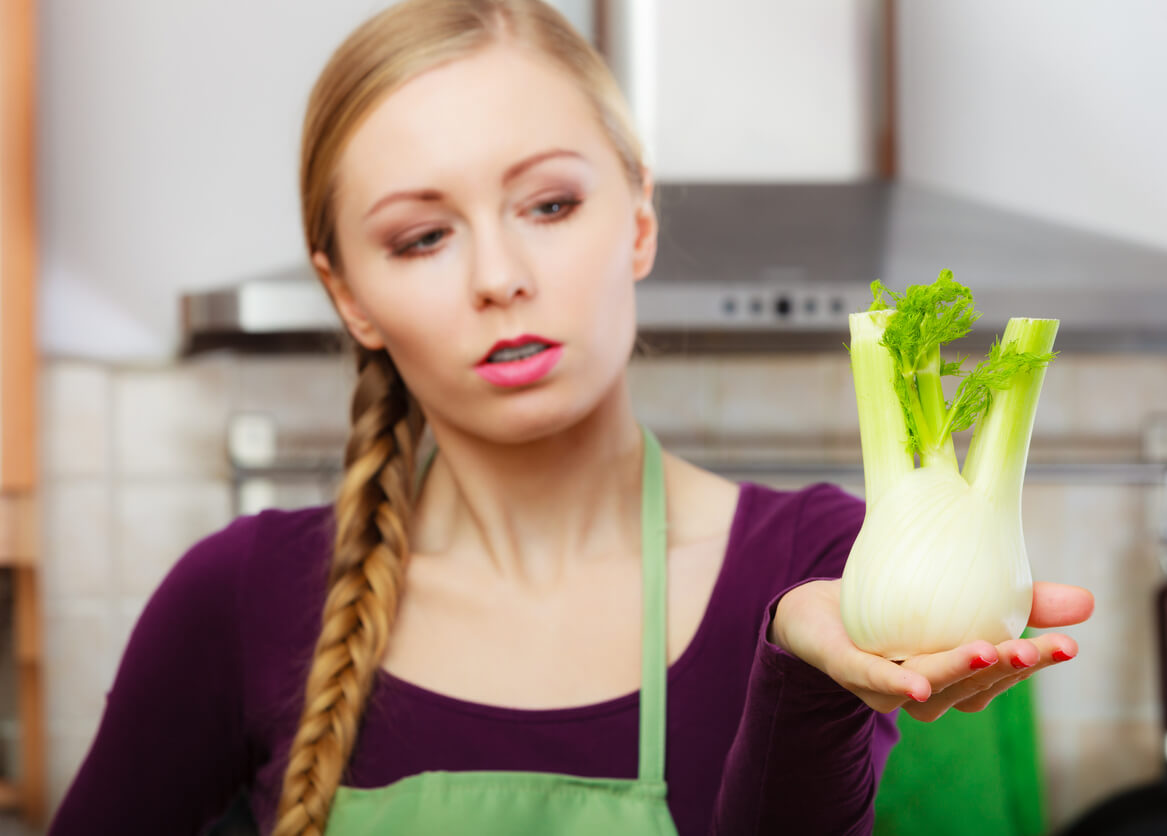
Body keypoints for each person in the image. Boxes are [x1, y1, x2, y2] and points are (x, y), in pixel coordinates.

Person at [47, 2, 1094, 834]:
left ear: (637, 218)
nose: (501, 277)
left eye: (548, 205)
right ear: (348, 294)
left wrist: (802, 681)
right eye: (421, 237)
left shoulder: (817, 567)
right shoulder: (242, 595)